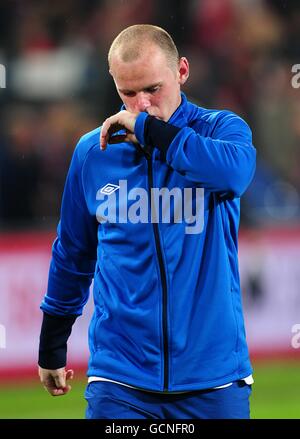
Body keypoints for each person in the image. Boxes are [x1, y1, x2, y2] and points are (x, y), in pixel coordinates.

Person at [38, 24, 256, 419]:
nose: (141, 104)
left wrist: (151, 132)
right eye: (128, 93)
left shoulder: (220, 131)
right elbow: (73, 253)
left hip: (214, 377)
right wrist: (53, 344)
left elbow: (235, 175)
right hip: (120, 379)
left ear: (182, 72)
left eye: (153, 89)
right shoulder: (94, 152)